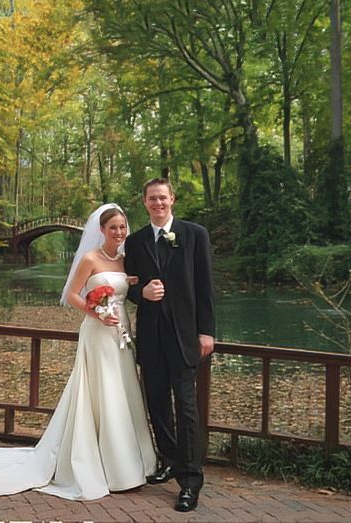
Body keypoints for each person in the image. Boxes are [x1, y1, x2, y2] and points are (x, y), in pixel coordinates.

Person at [0, 203, 156, 501]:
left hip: (121, 334)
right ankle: (103, 464)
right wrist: (96, 311)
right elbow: (72, 294)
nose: (119, 232)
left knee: (123, 389)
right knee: (102, 391)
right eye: (113, 227)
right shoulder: (90, 258)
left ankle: (130, 463)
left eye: (122, 227)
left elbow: (132, 290)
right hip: (97, 332)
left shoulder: (127, 261)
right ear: (101, 230)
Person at [124, 178, 215, 512]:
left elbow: (206, 287)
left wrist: (207, 332)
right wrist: (141, 293)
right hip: (151, 337)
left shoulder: (194, 235)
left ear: (172, 200)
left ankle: (190, 481)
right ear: (144, 202)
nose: (158, 203)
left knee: (187, 408)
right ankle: (169, 459)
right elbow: (127, 287)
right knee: (157, 403)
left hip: (185, 337)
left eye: (163, 198)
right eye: (152, 199)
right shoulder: (134, 242)